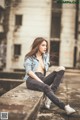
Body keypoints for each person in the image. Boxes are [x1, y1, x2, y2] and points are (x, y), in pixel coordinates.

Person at [23, 37, 75, 115]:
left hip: (42, 78)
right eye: (43, 45)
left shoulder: (45, 56)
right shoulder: (29, 57)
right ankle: (65, 107)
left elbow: (46, 69)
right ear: (37, 46)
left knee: (61, 68)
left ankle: (48, 99)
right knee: (46, 87)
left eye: (46, 45)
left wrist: (54, 71)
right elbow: (29, 72)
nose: (45, 47)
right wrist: (41, 82)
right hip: (31, 79)